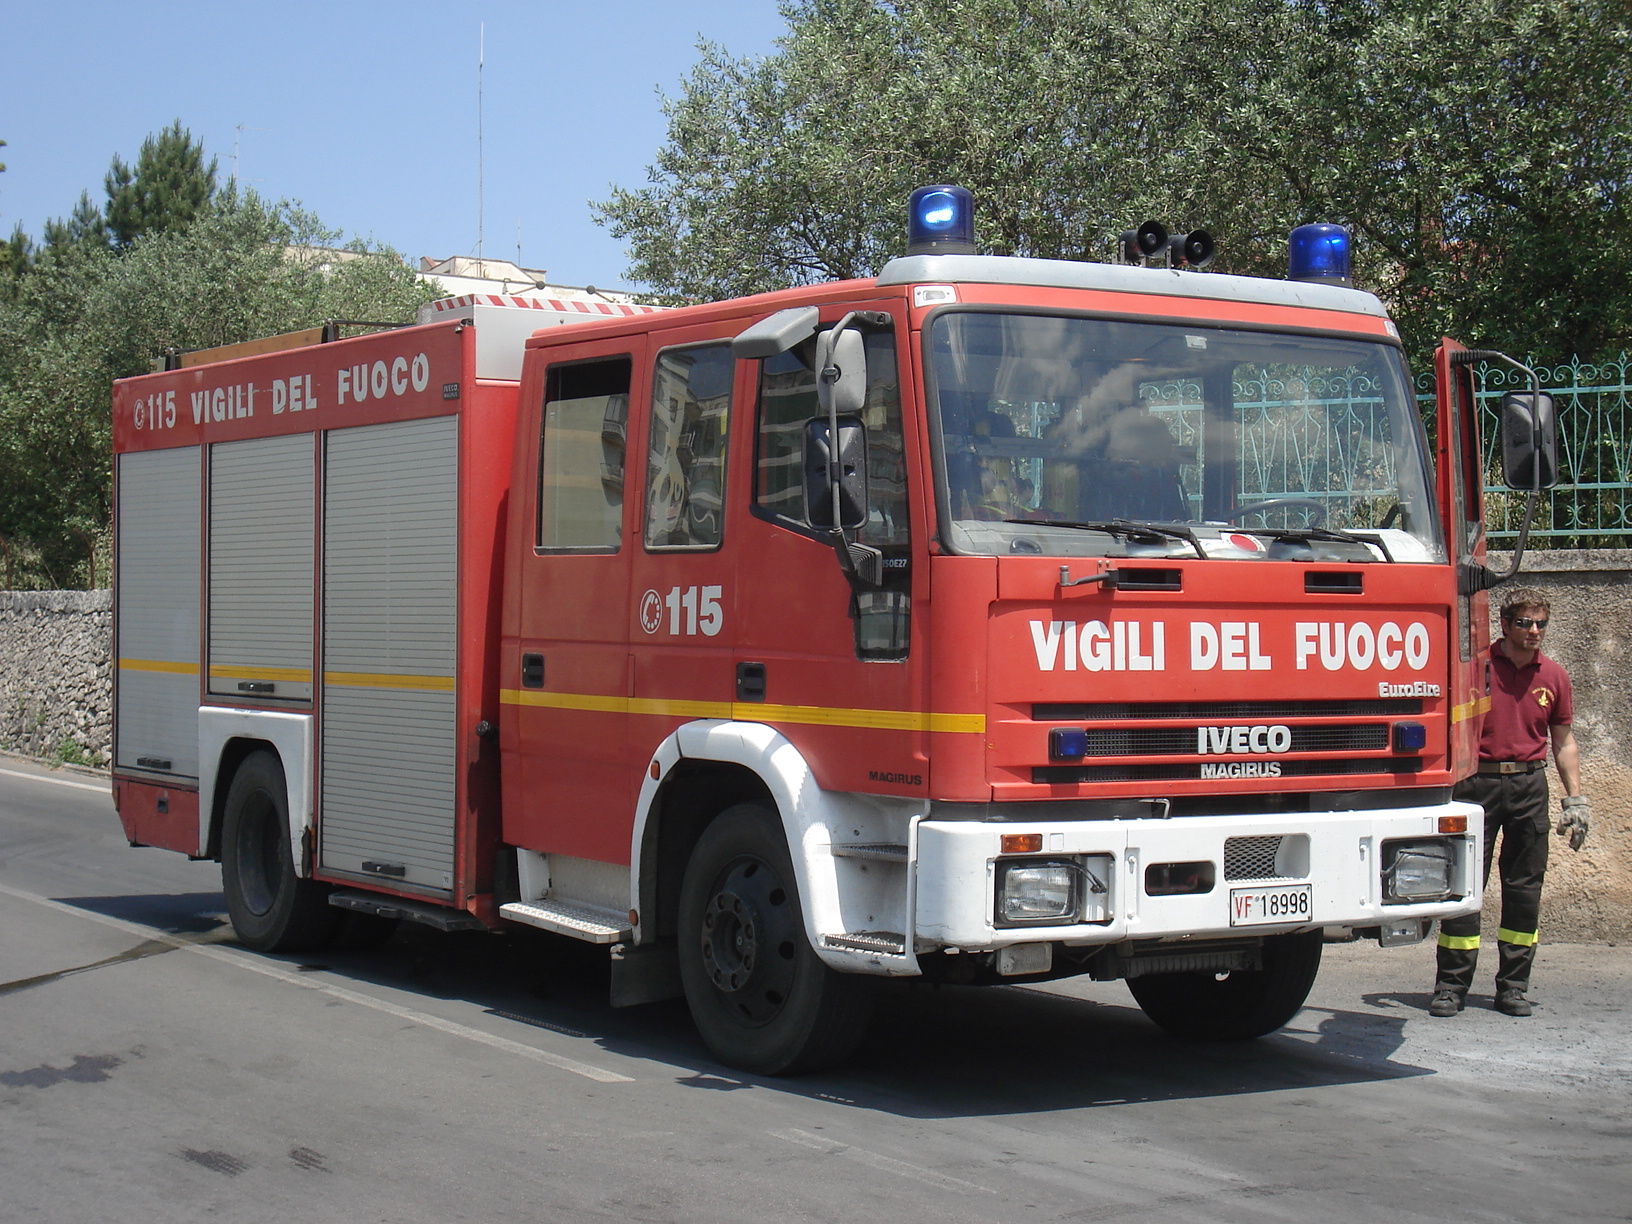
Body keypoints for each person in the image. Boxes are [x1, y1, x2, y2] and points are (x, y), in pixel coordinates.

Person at [1430, 589, 1589, 1018]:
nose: (1534, 632)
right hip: (1476, 784)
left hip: (1528, 787)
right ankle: (1451, 988)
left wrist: (1576, 800)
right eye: (1525, 623)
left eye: (1541, 624)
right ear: (1504, 624)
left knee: (1524, 890)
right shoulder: (1475, 669)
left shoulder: (1554, 676)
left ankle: (1513, 987)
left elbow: (1564, 742)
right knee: (1464, 888)